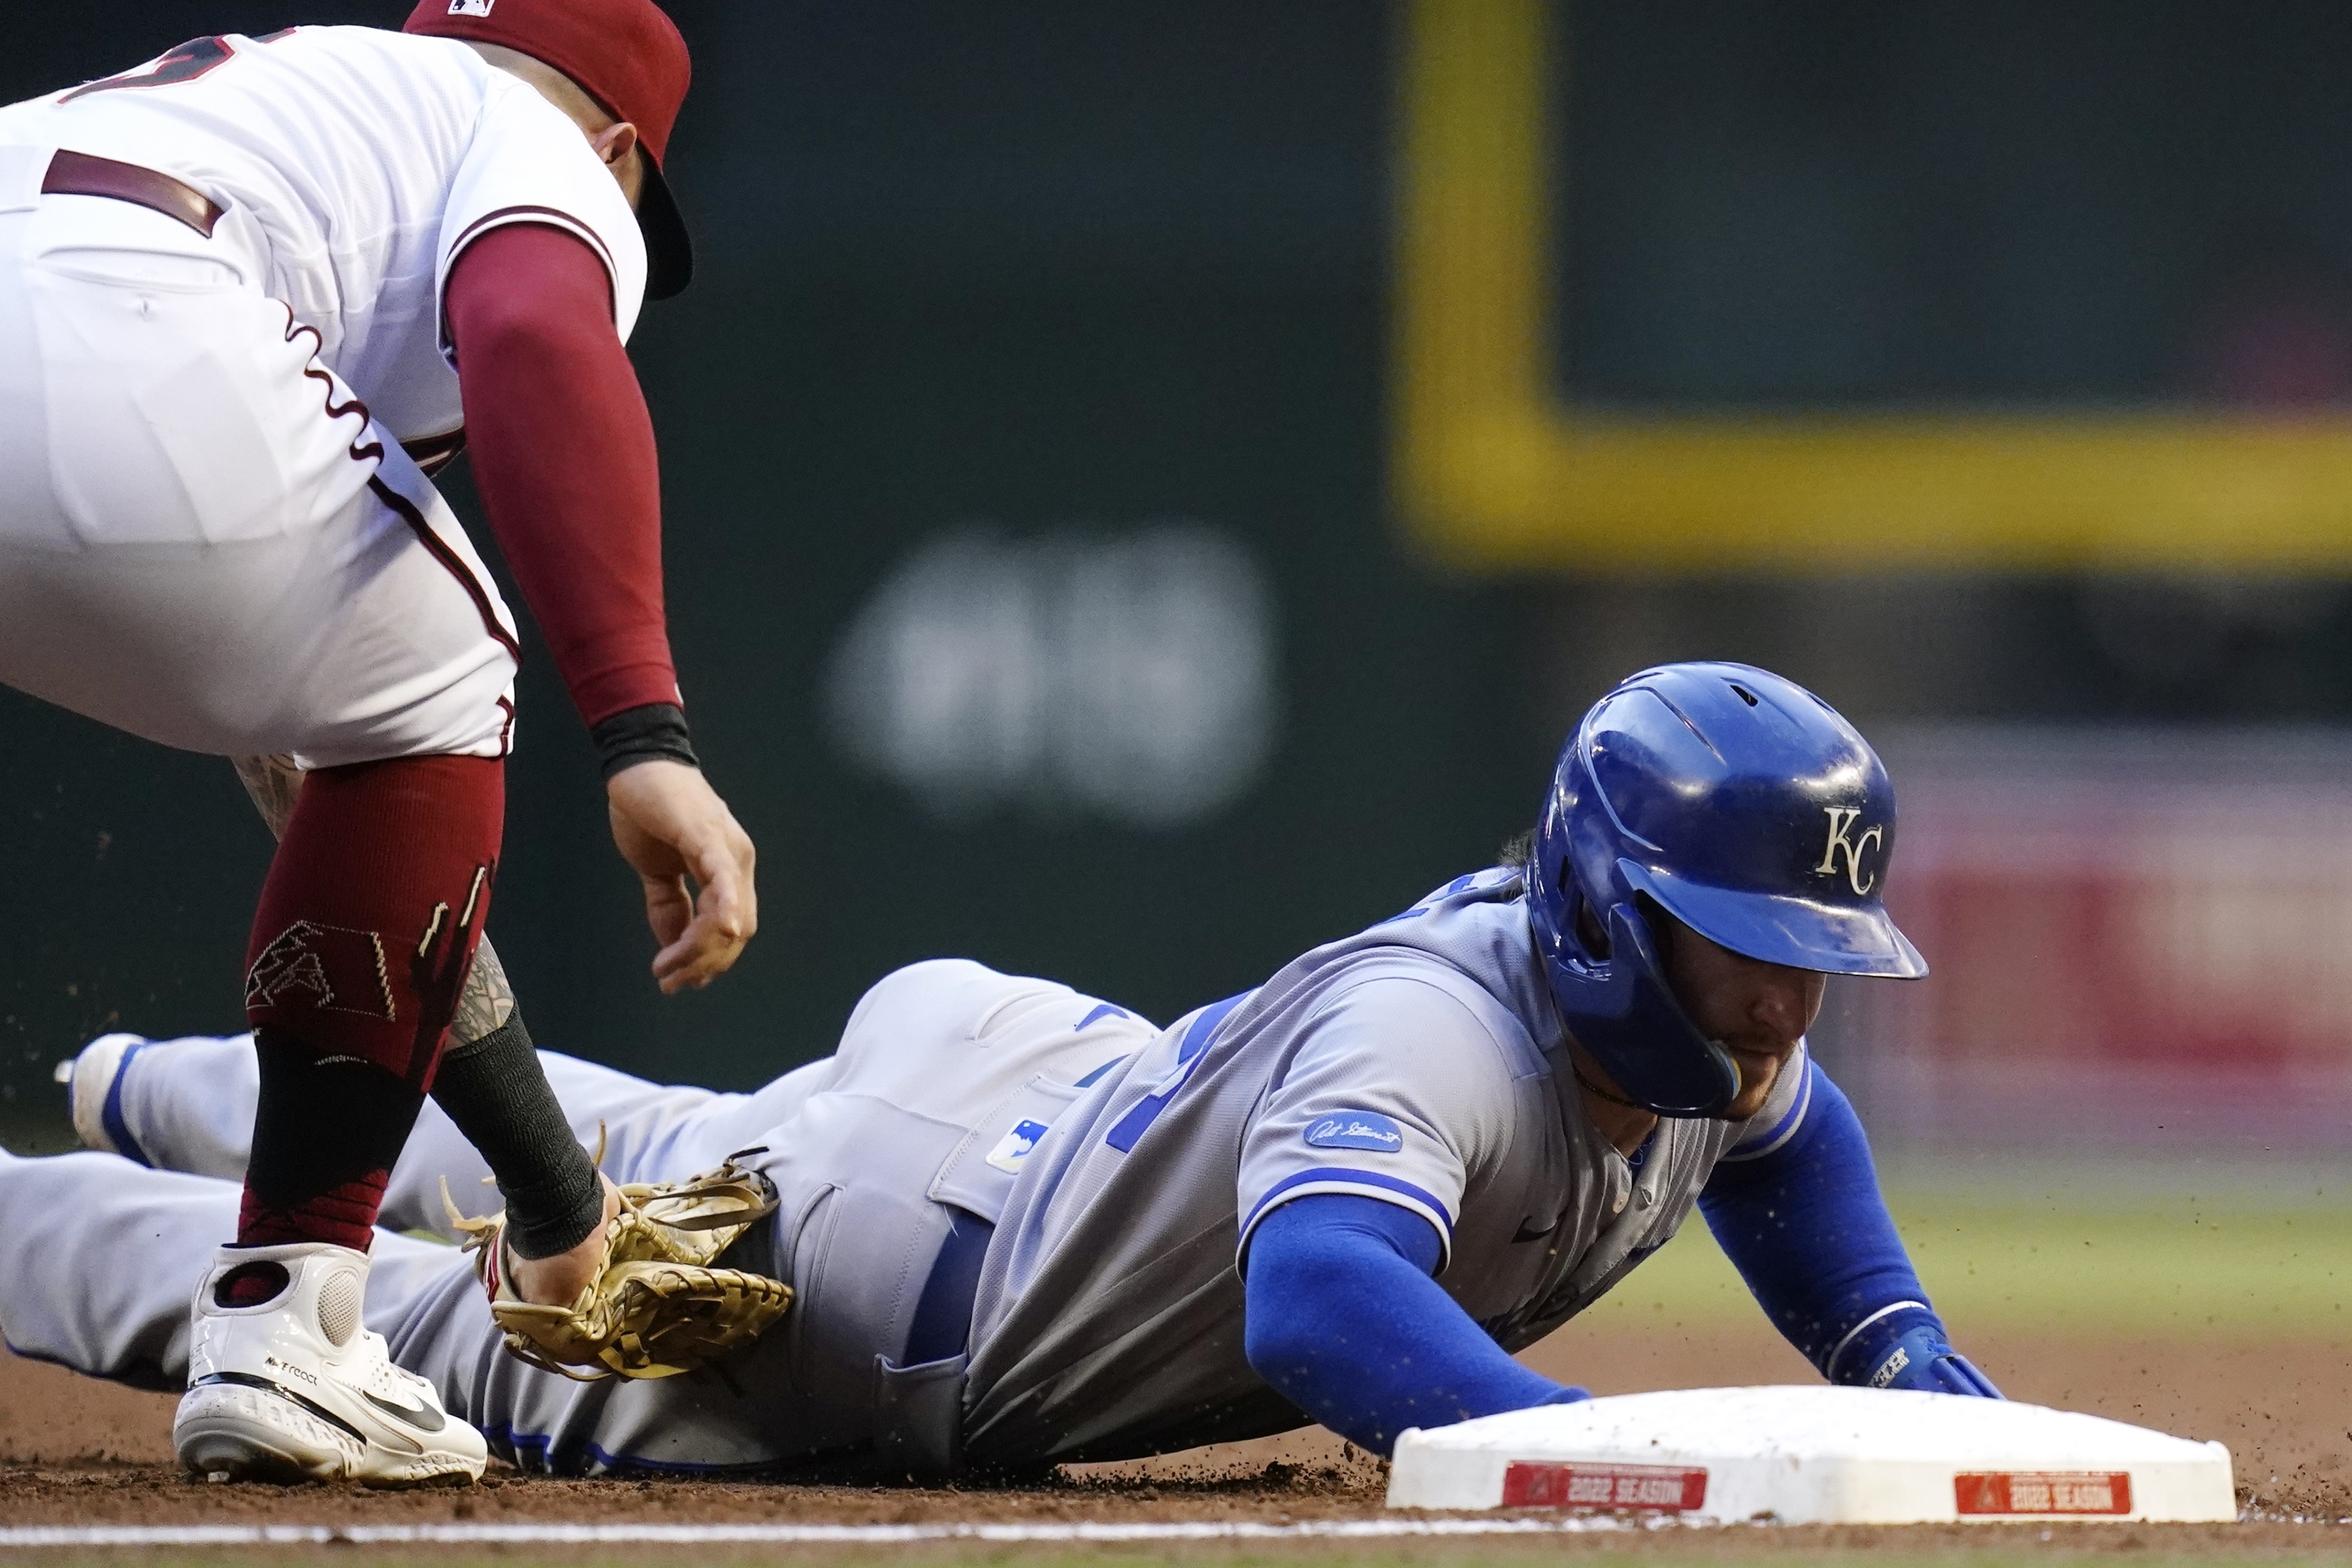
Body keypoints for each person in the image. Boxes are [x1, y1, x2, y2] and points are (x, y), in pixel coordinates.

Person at [1, 663, 1994, 1480]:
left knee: (616, 1144)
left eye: (1818, 961)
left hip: (1024, 1105)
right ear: (1607, 908)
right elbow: (1319, 1303)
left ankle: (146, 1077)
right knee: (399, 1312)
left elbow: (1791, 1155)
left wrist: (1897, 1344)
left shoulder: (1701, 1046)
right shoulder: (1442, 1033)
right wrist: (1587, 1460)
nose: (1785, 1009)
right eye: (1752, 958)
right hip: (878, 1301)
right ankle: (76, 1174)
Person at [0, 0, 757, 1486]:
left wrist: (556, 1204)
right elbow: (537, 323)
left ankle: (317, 1303)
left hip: (73, 267)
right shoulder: (524, 136)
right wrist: (645, 730)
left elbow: (379, 865)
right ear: (616, 146)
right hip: (124, 317)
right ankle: (288, 1323)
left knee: (403, 689)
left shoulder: (308, 112)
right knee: (449, 656)